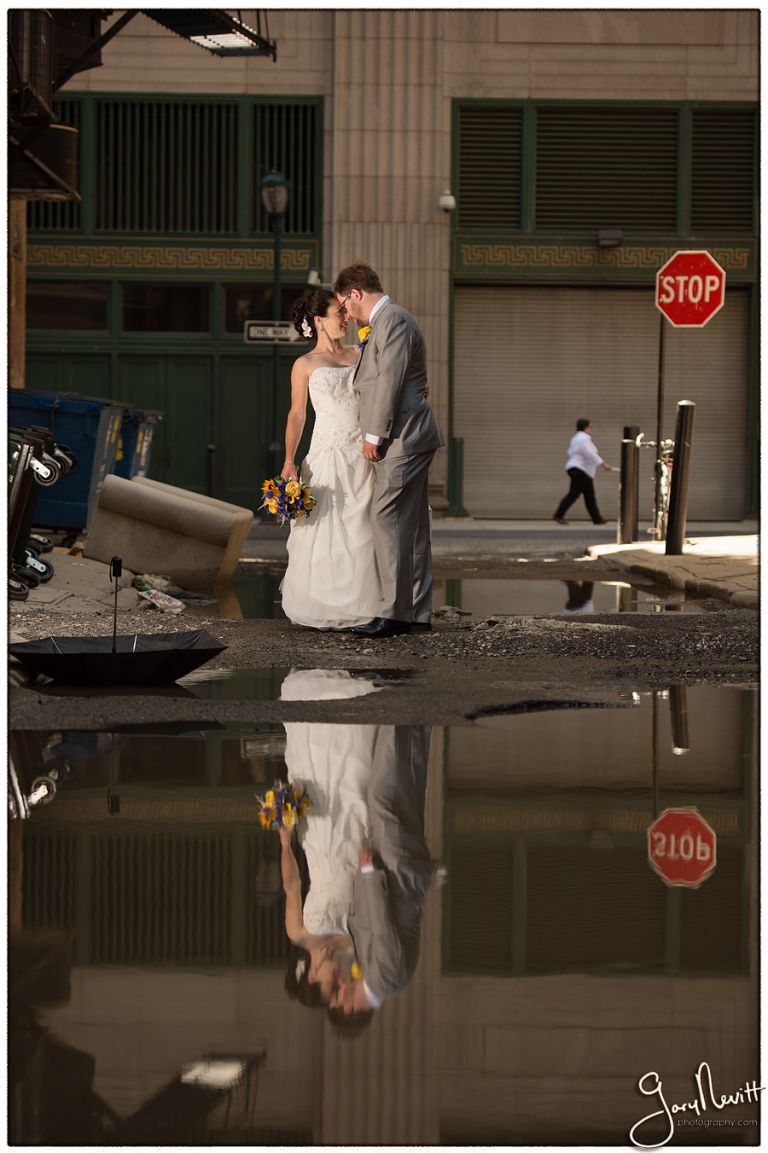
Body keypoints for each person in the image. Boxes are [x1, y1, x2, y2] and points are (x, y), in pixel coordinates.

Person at [333, 263, 444, 639]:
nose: (346, 314)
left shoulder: (393, 320)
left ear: (356, 293)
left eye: (345, 305)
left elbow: (390, 382)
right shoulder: (387, 323)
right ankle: (416, 610)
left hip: (402, 437)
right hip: (409, 436)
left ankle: (394, 614)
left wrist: (374, 436)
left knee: (386, 518)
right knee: (411, 527)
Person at [279, 287, 380, 629]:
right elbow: (297, 414)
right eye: (339, 312)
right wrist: (289, 461)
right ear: (319, 320)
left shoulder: (361, 352)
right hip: (326, 452)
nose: (346, 317)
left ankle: (367, 604)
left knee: (363, 526)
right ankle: (325, 603)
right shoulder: (305, 364)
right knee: (326, 529)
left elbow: (383, 390)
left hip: (363, 451)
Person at [329, 725, 437, 1017]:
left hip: (401, 870)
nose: (338, 986)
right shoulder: (384, 981)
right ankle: (396, 709)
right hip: (393, 867)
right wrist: (368, 873)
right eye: (337, 997)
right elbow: (382, 926)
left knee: (406, 788)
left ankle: (414, 717)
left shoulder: (380, 979)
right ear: (349, 1008)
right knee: (383, 791)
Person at [553, 418, 613, 525]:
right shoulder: (583, 439)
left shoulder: (576, 438)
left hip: (581, 470)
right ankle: (558, 515)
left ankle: (597, 518)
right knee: (575, 494)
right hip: (580, 469)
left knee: (589, 495)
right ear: (586, 427)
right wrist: (603, 464)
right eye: (590, 427)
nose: (591, 429)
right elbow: (590, 453)